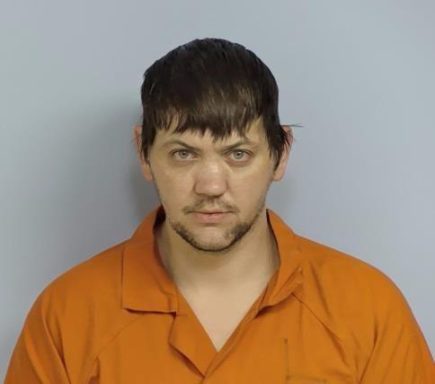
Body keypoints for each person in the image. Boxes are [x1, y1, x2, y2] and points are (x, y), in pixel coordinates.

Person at [5, 38, 434, 383]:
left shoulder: (369, 310)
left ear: (281, 155)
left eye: (238, 154)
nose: (211, 186)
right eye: (183, 154)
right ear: (143, 153)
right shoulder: (67, 315)